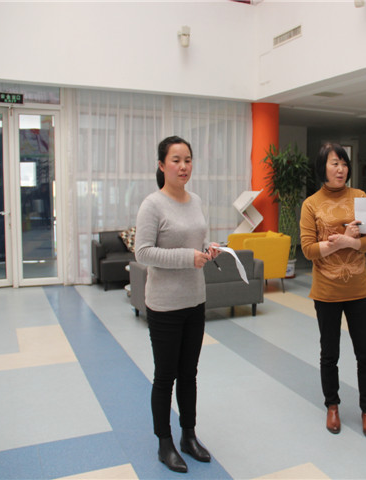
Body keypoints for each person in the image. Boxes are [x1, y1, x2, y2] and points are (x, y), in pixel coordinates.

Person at [134, 135, 220, 473]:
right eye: (176, 160)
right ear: (161, 165)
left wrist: (208, 249)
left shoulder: (195, 200)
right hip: (165, 305)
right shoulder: (152, 205)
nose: (183, 166)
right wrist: (188, 257)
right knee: (165, 376)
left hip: (194, 299)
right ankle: (164, 443)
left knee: (189, 374)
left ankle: (188, 435)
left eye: (188, 160)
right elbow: (143, 252)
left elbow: (197, 238)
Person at [299, 142, 366, 438]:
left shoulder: (360, 197)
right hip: (327, 291)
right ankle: (332, 406)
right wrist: (340, 240)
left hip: (358, 289)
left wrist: (350, 242)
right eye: (334, 163)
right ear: (323, 168)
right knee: (329, 354)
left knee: (364, 354)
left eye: (344, 163)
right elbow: (308, 250)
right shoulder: (311, 204)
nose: (341, 169)